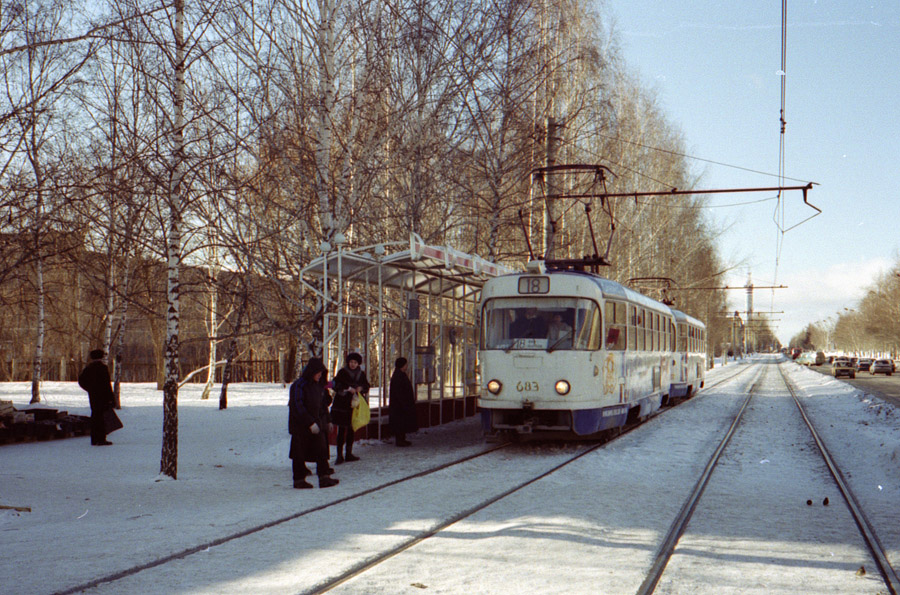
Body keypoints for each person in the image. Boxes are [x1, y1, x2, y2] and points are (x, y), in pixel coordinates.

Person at [288, 358, 339, 489]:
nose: (320, 376)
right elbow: (298, 406)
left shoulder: (318, 386)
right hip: (301, 426)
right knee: (299, 453)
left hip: (317, 423)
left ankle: (324, 477)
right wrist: (309, 422)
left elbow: (322, 405)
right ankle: (299, 479)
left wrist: (327, 420)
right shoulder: (299, 385)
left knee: (321, 450)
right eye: (318, 373)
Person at [331, 352, 370, 464]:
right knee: (342, 429)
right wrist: (348, 388)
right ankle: (339, 455)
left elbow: (367, 386)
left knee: (351, 429)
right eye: (351, 362)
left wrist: (361, 388)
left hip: (355, 404)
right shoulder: (342, 372)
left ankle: (348, 453)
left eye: (355, 362)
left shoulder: (361, 374)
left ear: (358, 364)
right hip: (342, 404)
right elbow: (335, 384)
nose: (353, 364)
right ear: (348, 362)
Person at [77, 349, 115, 446]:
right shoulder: (102, 368)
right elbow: (107, 385)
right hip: (103, 396)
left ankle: (94, 439)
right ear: (101, 357)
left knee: (95, 416)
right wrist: (111, 398)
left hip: (93, 396)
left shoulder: (89, 368)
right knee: (102, 418)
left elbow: (81, 381)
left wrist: (90, 389)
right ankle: (101, 439)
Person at [389, 357, 418, 447]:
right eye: (405, 364)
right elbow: (399, 392)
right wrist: (404, 403)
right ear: (402, 365)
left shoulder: (401, 374)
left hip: (402, 404)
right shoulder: (398, 376)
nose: (407, 366)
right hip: (399, 405)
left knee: (402, 422)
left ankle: (402, 438)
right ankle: (400, 440)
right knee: (400, 422)